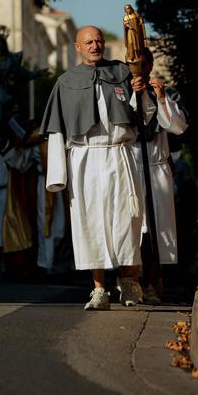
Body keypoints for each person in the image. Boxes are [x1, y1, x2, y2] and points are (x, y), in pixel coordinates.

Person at [41, 25, 156, 310]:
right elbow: (56, 130)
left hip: (119, 154)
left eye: (99, 40)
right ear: (78, 47)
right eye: (88, 42)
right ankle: (99, 289)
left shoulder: (122, 72)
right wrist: (58, 176)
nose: (95, 45)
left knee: (126, 220)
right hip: (85, 158)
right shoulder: (66, 82)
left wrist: (139, 92)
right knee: (91, 222)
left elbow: (145, 114)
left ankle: (129, 282)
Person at [135, 48, 188, 304]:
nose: (140, 68)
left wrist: (162, 97)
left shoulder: (164, 92)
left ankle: (153, 280)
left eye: (144, 64)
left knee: (156, 229)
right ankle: (132, 280)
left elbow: (177, 127)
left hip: (156, 169)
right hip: (129, 169)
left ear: (151, 65)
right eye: (134, 63)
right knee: (132, 227)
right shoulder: (122, 93)